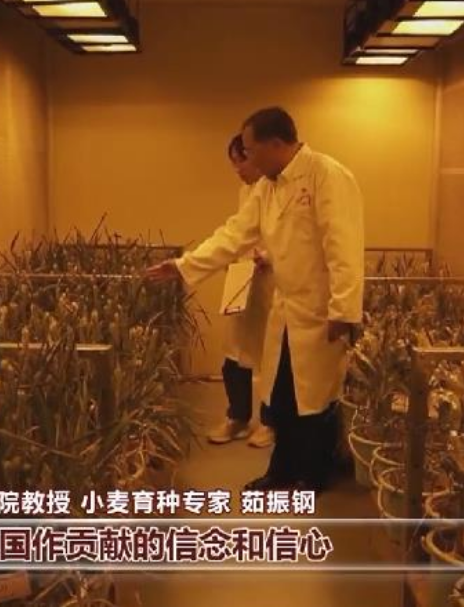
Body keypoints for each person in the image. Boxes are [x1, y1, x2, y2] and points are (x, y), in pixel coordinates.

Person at [146, 107, 364, 491]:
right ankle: (282, 471)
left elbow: (344, 248)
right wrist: (184, 266)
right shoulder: (267, 187)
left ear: (275, 143)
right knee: (281, 395)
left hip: (320, 310)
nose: (246, 158)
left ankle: (314, 476)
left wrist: (343, 310)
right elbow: (234, 235)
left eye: (249, 150)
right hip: (286, 307)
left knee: (314, 399)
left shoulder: (326, 175)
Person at [209, 134, 275, 448]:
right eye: (234, 163)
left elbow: (291, 238)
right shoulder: (245, 191)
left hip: (271, 279)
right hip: (241, 277)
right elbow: (238, 233)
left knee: (270, 356)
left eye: (242, 161)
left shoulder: (278, 190)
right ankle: (237, 417)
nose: (239, 170)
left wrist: (269, 256)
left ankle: (271, 423)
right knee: (233, 353)